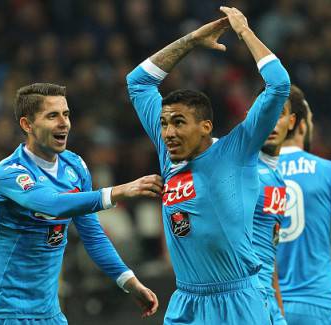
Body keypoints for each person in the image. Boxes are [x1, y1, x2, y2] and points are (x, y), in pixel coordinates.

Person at [126, 6, 290, 324]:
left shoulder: (235, 152)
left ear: (205, 127)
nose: (169, 132)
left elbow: (279, 85)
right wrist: (190, 40)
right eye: (164, 123)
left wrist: (244, 31)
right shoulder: (168, 152)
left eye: (179, 122)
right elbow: (138, 82)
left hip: (237, 302)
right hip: (186, 301)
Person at [0, 83, 161, 324]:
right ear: (27, 124)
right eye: (52, 116)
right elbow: (52, 204)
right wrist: (119, 191)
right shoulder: (10, 173)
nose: (64, 123)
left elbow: (92, 234)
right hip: (3, 312)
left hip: (49, 312)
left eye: (66, 114)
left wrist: (129, 281)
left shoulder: (74, 167)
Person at [276, 87, 331, 325]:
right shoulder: (328, 172)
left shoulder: (251, 175)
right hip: (317, 306)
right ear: (303, 125)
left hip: (264, 307)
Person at [252, 86, 308, 325]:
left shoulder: (277, 179)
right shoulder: (240, 169)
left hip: (269, 303)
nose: (272, 123)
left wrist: (279, 313)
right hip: (243, 302)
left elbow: (267, 250)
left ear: (292, 121)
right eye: (265, 113)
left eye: (280, 114)